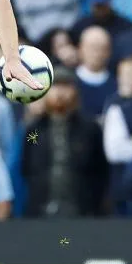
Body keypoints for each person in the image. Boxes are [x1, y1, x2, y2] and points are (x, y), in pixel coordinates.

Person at [21, 67, 108, 217]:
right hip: (41, 210)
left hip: (81, 210)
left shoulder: (90, 129)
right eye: (55, 86)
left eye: (66, 86)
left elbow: (101, 172)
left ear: (75, 92)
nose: (60, 93)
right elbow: (26, 167)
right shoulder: (34, 129)